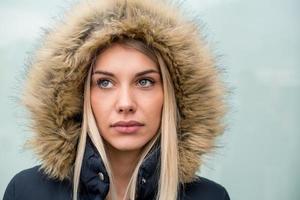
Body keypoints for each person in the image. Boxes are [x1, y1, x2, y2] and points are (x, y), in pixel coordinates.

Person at [3, 0, 230, 200]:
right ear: (79, 96)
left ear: (174, 97)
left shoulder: (211, 197)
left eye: (144, 82)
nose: (125, 104)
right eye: (105, 83)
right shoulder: (27, 192)